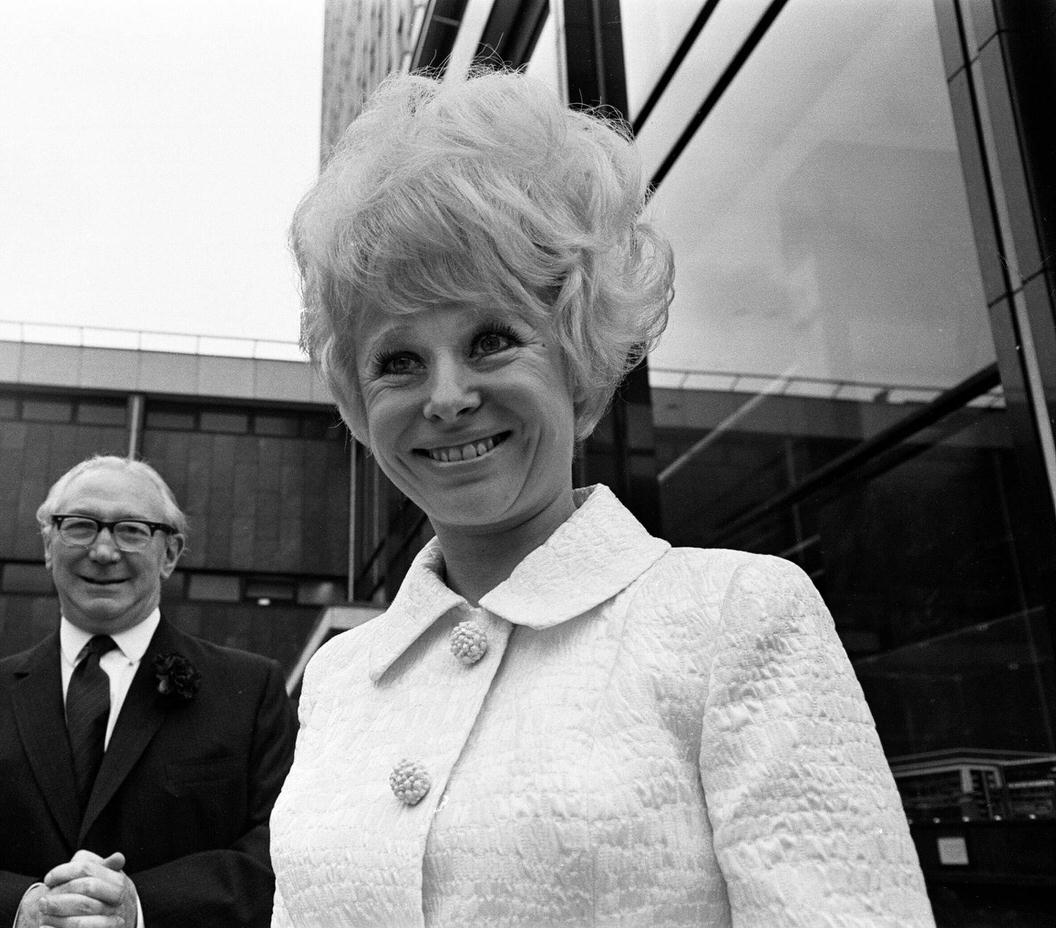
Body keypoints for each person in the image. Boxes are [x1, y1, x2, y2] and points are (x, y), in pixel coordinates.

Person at [269, 70, 934, 927]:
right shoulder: (338, 678)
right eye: (398, 360)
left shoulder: (734, 616)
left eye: (491, 340)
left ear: (578, 364)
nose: (445, 396)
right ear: (360, 406)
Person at [0, 455, 297, 928]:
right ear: (49, 546)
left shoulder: (250, 689)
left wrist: (140, 908)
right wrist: (24, 911)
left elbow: (287, 853)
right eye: (80, 527)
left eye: (132, 530)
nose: (103, 550)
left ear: (170, 554)